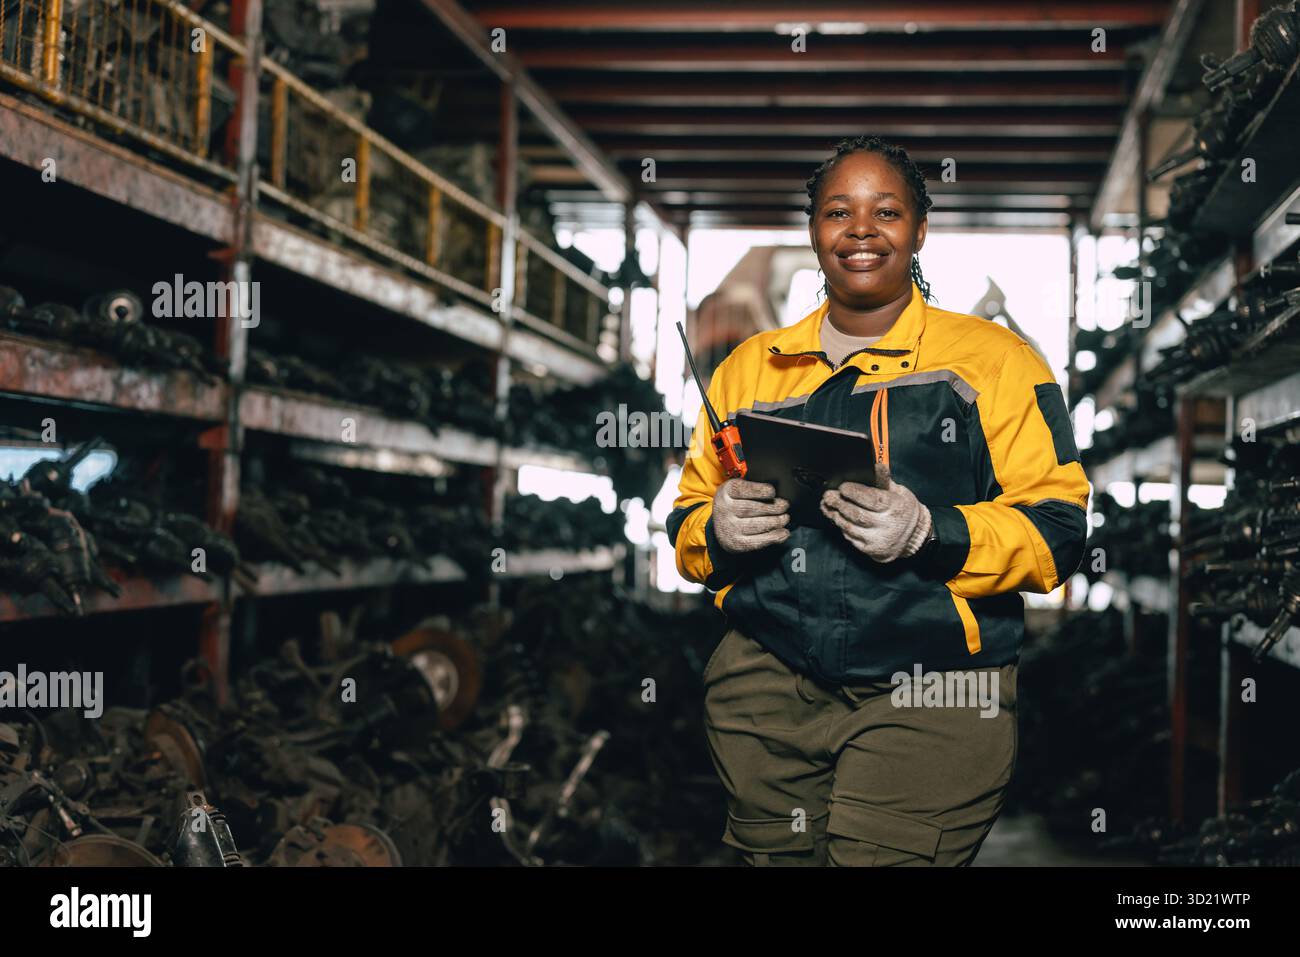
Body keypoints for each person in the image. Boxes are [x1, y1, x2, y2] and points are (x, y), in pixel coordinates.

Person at [668, 135, 1090, 867]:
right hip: (764, 690)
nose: (861, 229)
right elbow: (687, 518)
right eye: (839, 211)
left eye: (886, 211)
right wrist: (717, 527)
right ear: (814, 230)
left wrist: (932, 531)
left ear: (919, 229)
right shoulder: (748, 370)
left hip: (931, 693)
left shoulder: (994, 362)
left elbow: (1058, 530)